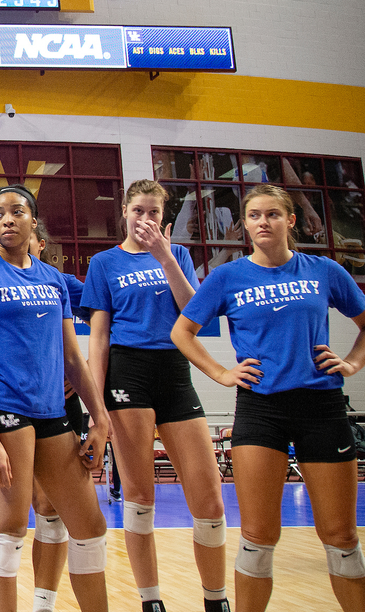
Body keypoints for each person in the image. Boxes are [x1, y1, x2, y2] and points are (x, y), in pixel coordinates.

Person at [172, 183, 365, 612]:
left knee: (342, 537)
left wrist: (351, 363)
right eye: (255, 215)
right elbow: (181, 331)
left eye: (273, 214)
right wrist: (222, 372)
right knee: (258, 538)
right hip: (261, 410)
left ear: (290, 221)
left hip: (322, 407)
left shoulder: (323, 270)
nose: (263, 222)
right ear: (245, 224)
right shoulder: (227, 277)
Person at [0, 185, 111, 612]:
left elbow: (74, 357)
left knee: (90, 527)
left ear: (33, 222)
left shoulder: (53, 279)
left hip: (53, 414)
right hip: (3, 413)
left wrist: (100, 419)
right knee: (9, 528)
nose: (7, 219)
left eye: (17, 211)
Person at [84, 179, 229, 612]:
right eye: (138, 210)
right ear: (124, 212)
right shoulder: (104, 263)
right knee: (140, 494)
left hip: (174, 370)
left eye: (154, 212)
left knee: (209, 495)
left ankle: (215, 598)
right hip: (128, 370)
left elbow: (194, 314)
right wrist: (97, 407)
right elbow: (99, 336)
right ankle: (151, 600)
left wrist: (165, 256)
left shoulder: (178, 254)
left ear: (164, 217)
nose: (146, 219)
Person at [0, 220, 92, 612]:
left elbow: (107, 319)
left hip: (57, 402)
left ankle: (44, 602)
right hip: (3, 404)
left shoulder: (60, 282)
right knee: (1, 511)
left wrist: (87, 374)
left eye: (36, 244)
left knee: (51, 508)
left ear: (39, 242)